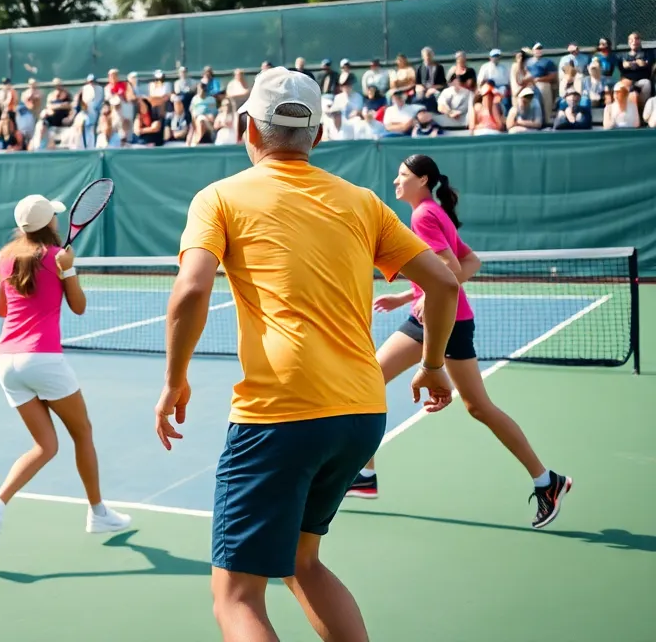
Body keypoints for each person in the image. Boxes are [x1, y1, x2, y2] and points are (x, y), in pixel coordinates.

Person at [154, 66, 460, 642]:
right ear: (317, 137)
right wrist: (434, 364)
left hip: (281, 413)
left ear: (247, 130)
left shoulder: (218, 198)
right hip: (362, 414)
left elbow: (192, 289)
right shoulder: (363, 202)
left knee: (236, 597)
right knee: (302, 562)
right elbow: (444, 283)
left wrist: (175, 379)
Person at [347, 155, 572, 529]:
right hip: (435, 316)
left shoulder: (423, 216)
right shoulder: (433, 210)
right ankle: (365, 475)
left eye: (402, 175)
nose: (395, 181)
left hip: (445, 322)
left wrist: (425, 299)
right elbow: (470, 262)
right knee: (368, 378)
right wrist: (411, 297)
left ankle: (547, 481)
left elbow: (451, 268)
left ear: (422, 180)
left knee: (478, 406)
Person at [0, 194, 132, 567]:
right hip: (42, 358)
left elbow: (2, 310)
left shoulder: (6, 257)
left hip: (6, 362)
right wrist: (68, 271)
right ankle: (97, 513)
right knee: (82, 433)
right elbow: (79, 306)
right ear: (49, 224)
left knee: (45, 446)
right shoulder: (58, 258)